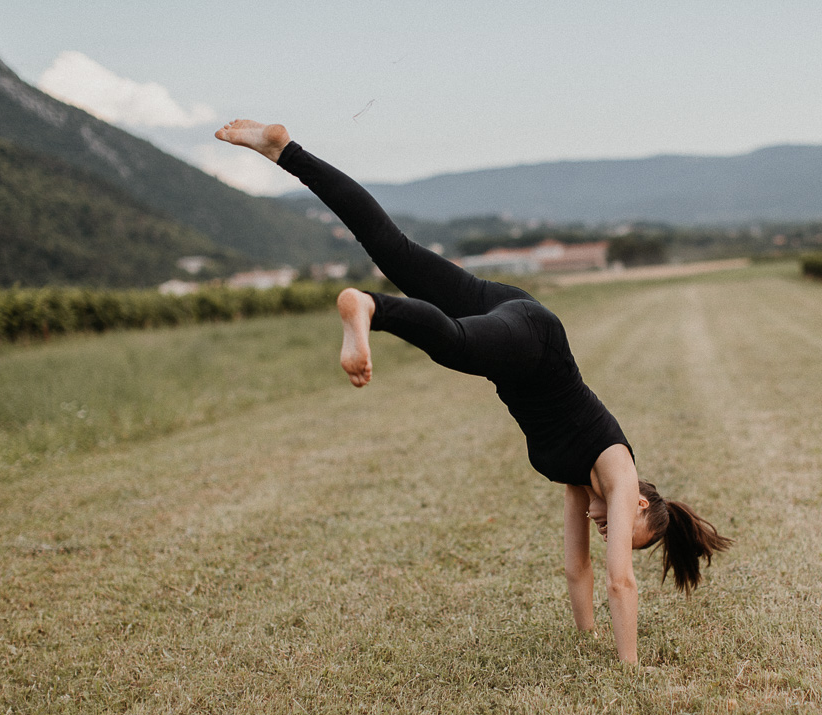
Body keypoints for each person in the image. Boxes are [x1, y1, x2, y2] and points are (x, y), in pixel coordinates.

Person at [215, 120, 732, 664]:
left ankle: (284, 151)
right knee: (458, 345)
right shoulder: (619, 473)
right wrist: (628, 671)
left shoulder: (582, 484)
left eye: (612, 534)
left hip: (515, 317)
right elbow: (620, 584)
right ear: (642, 506)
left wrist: (587, 644)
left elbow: (575, 569)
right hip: (534, 341)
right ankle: (371, 307)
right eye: (623, 532)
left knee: (394, 250)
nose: (609, 532)